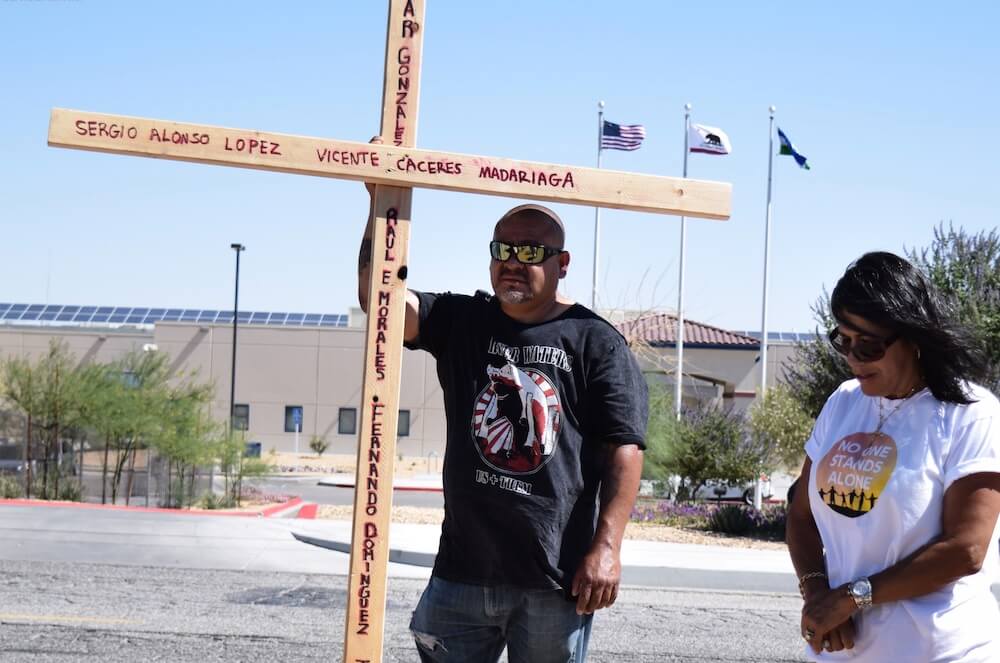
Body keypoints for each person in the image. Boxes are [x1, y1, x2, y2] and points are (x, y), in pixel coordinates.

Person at [358, 190, 648, 662]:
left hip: (552, 580)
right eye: (502, 250)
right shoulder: (462, 321)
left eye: (531, 251)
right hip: (461, 573)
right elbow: (381, 301)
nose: (513, 262)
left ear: (563, 262)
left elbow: (626, 450)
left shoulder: (596, 342)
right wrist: (381, 208)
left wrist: (607, 548)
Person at [786, 251, 1000, 661]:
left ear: (914, 338)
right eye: (842, 341)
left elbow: (966, 549)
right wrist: (818, 594)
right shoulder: (842, 403)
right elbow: (800, 512)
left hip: (941, 651)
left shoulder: (971, 414)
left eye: (867, 346)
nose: (851, 358)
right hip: (842, 651)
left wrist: (852, 598)